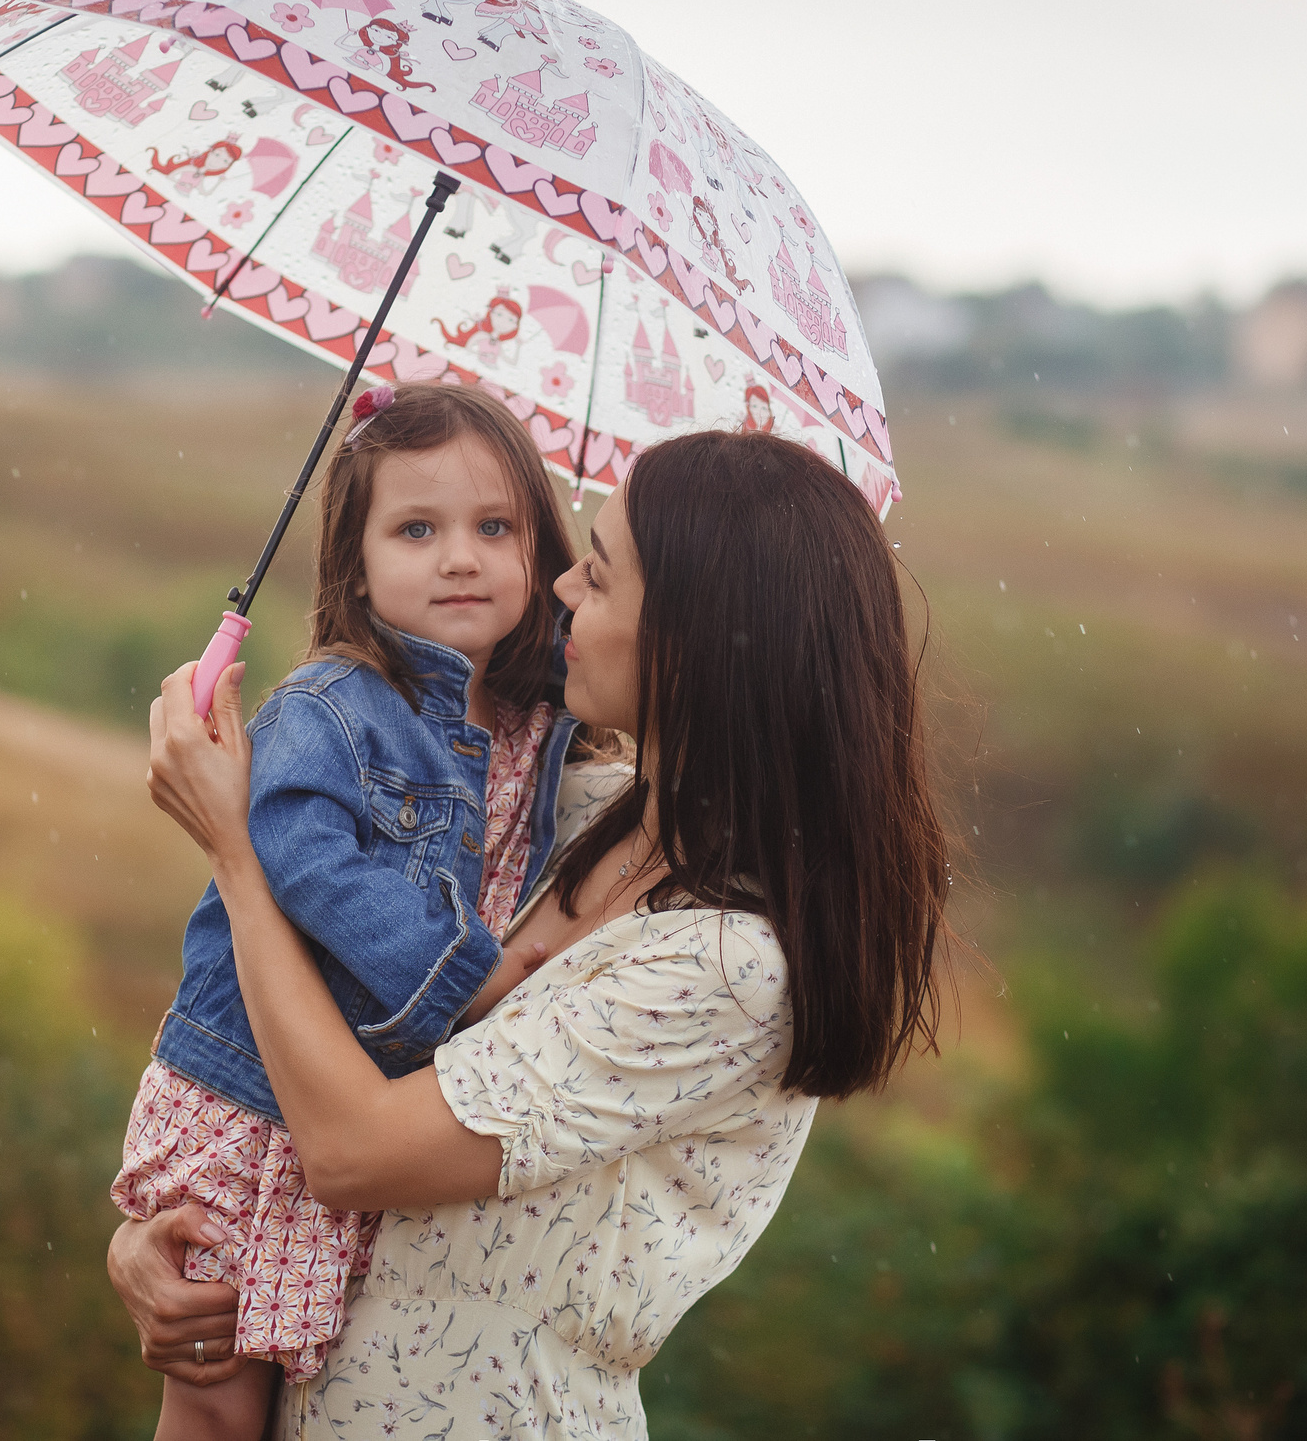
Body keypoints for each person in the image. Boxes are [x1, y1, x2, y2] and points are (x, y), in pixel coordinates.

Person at [127, 428, 950, 1436]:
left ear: (689, 640)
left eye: (597, 579)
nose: (559, 592)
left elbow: (351, 1150)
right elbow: (308, 1053)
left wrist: (235, 852)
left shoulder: (725, 963)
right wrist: (172, 1248)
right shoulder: (567, 807)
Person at [111, 380, 588, 1440]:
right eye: (416, 529)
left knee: (295, 1380)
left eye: (494, 527)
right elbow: (299, 858)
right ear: (357, 568)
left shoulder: (532, 718)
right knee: (218, 1394)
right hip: (253, 1104)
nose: (459, 557)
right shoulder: (329, 707)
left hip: (346, 1102)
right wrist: (468, 972)